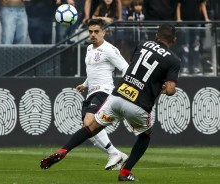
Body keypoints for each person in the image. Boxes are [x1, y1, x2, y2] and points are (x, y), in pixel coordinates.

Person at [40, 23, 181, 182]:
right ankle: (125, 172)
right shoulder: (174, 60)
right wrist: (163, 87)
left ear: (156, 36)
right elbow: (170, 90)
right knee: (145, 136)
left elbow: (134, 65)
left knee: (90, 128)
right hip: (139, 105)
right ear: (174, 40)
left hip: (117, 97)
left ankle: (63, 150)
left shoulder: (143, 44)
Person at [75, 18, 129, 170]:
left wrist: (123, 88)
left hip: (104, 91)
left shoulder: (110, 50)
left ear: (104, 32)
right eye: (90, 32)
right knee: (89, 130)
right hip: (92, 92)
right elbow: (93, 70)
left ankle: (114, 154)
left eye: (96, 32)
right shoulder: (89, 49)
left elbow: (126, 68)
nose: (93, 35)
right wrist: (85, 84)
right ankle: (116, 154)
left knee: (88, 123)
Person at [176, 0, 210, 76]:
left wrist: (206, 18)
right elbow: (178, 6)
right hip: (185, 22)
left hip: (196, 21)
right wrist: (178, 18)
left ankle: (195, 67)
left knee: (196, 46)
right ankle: (185, 67)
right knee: (185, 46)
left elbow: (202, 5)